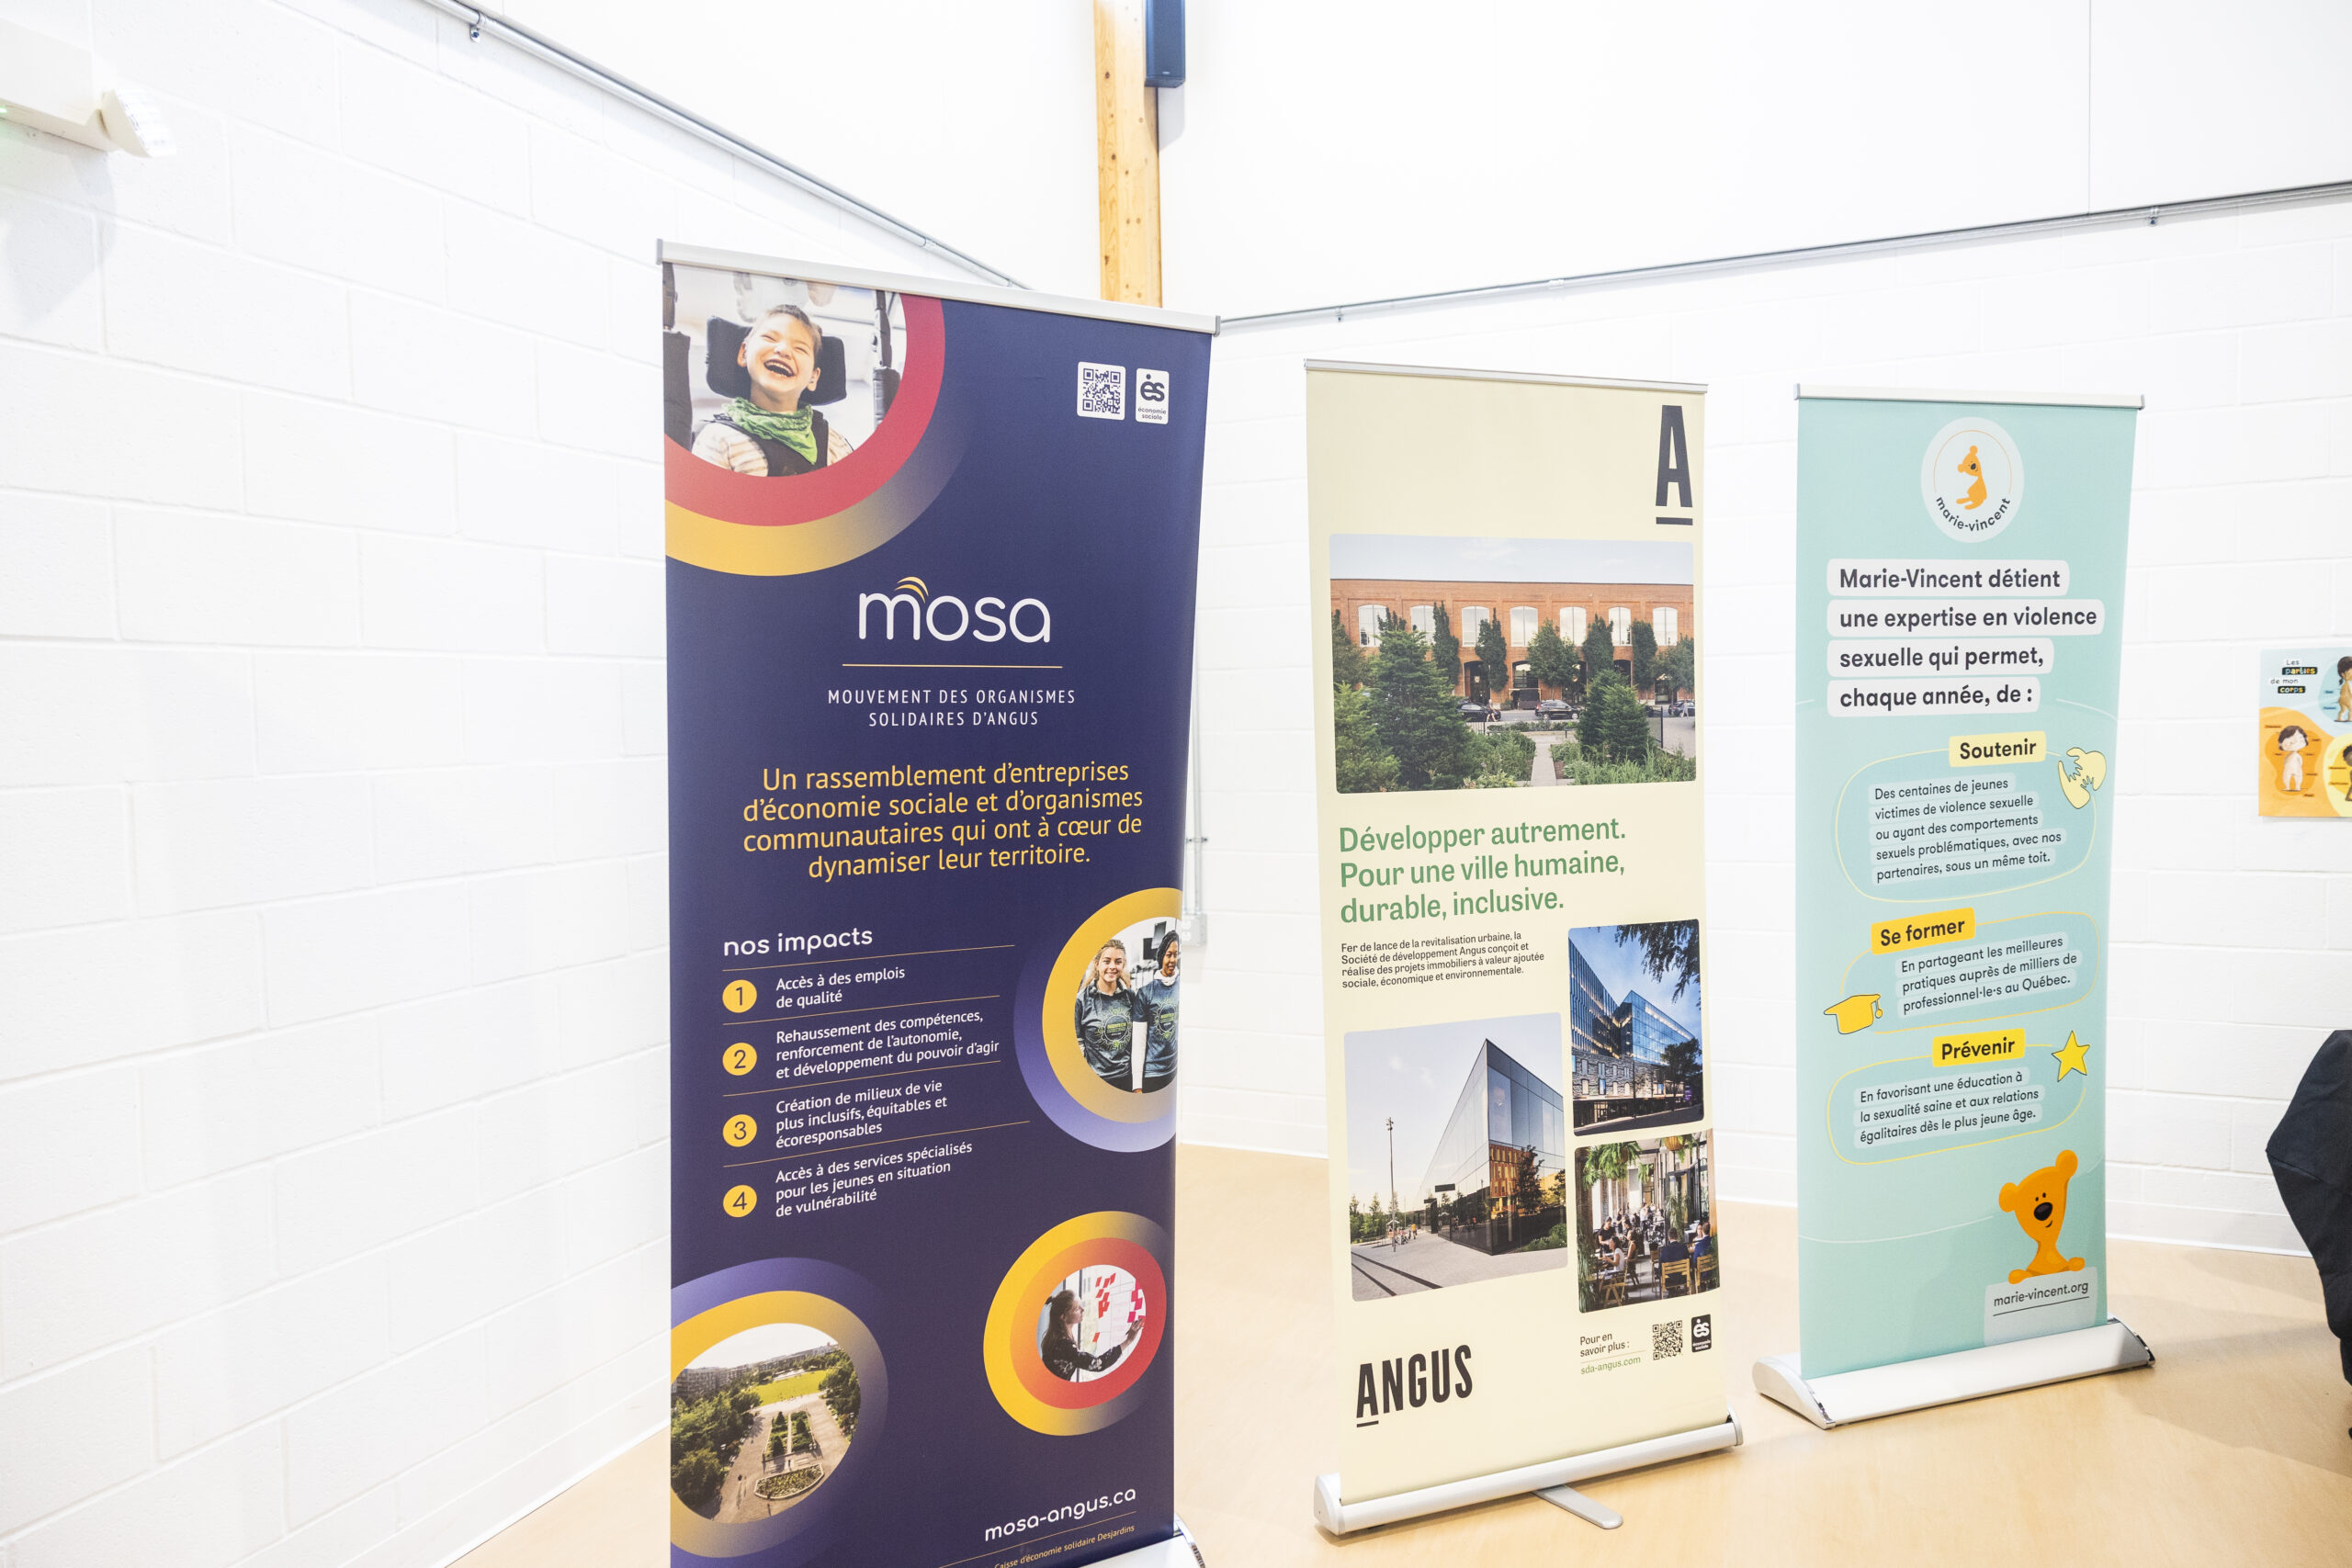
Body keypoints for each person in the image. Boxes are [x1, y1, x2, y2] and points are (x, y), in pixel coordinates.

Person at [691, 303, 856, 477]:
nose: (783, 350)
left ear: (813, 377)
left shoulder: (834, 444)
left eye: (800, 348)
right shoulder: (718, 439)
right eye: (770, 338)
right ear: (744, 353)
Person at [1074, 939, 1145, 1090]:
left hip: (1126, 1079)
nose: (1112, 966)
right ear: (1097, 964)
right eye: (1107, 961)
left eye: (1118, 962)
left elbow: (1137, 1042)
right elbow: (1078, 1045)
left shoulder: (1130, 997)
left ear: (1123, 965)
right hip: (1095, 1082)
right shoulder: (1082, 1000)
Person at [1039, 1289, 1141, 1382]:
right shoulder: (1064, 1346)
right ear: (1063, 1317)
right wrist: (1128, 1340)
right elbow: (1098, 1364)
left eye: (1081, 1305)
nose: (1083, 1309)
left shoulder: (1056, 1337)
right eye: (1077, 1309)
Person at [1135, 933, 1180, 1093]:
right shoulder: (1146, 993)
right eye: (1169, 955)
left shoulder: (1181, 985)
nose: (1173, 960)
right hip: (1152, 1074)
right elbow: (1139, 1043)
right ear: (1161, 957)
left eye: (1175, 955)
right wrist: (1137, 1086)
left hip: (1174, 1070)